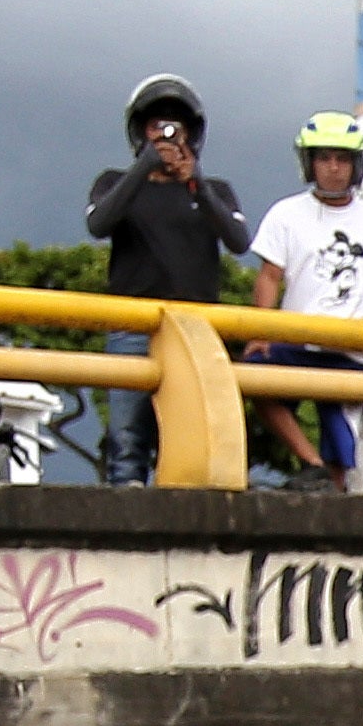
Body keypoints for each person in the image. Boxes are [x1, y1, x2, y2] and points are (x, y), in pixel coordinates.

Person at [86, 73, 253, 485]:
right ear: (138, 130)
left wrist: (194, 183)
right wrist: (145, 166)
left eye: (176, 125)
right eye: (156, 124)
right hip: (132, 326)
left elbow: (238, 241)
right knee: (127, 439)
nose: (166, 133)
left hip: (196, 329)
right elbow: (98, 223)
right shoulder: (114, 182)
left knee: (195, 436)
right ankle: (126, 522)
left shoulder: (214, 189)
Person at [247, 114, 363, 488]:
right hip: (297, 337)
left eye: (343, 159)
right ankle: (310, 462)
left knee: (341, 438)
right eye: (324, 158)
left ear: (356, 165)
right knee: (255, 375)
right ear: (310, 163)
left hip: (351, 348)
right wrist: (260, 328)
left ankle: (332, 490)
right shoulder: (285, 213)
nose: (334, 168)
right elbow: (269, 276)